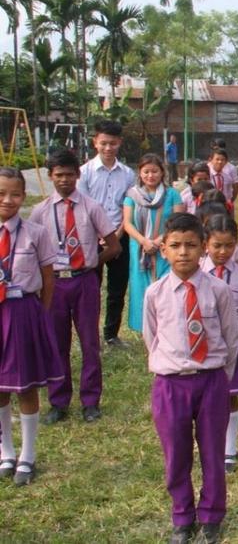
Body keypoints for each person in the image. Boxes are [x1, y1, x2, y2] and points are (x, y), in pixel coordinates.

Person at [143, 212, 238, 543]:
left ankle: (212, 515)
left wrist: (220, 378)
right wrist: (169, 365)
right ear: (164, 250)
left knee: (213, 451)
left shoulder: (219, 290)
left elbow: (231, 337)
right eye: (175, 246)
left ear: (203, 249)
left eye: (191, 245)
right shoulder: (155, 293)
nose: (183, 252)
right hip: (170, 383)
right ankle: (182, 516)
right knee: (176, 453)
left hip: (211, 380)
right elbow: (151, 336)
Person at [31, 150, 118, 425]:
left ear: (78, 175)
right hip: (55, 283)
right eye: (59, 175)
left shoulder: (91, 207)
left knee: (89, 341)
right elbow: (31, 249)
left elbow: (113, 245)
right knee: (57, 343)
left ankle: (90, 401)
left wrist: (91, 263)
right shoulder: (40, 211)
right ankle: (58, 402)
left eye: (70, 174)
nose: (65, 180)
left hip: (84, 281)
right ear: (50, 177)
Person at [0, 168, 60, 486]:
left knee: (25, 384)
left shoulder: (36, 233)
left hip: (22, 310)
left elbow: (48, 279)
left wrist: (40, 314)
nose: (8, 200)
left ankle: (28, 454)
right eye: (1, 194)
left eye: (15, 194)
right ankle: (6, 451)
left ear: (24, 197)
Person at [201, 215, 238, 474]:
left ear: (236, 244)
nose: (223, 252)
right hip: (203, 338)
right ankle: (207, 445)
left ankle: (229, 449)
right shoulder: (197, 273)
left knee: (231, 394)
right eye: (217, 246)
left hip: (233, 338)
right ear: (206, 244)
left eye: (228, 246)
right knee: (204, 395)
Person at [78, 119, 135, 348]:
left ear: (119, 142)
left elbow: (128, 206)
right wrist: (99, 235)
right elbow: (82, 207)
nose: (108, 148)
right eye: (104, 143)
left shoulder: (128, 174)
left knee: (117, 289)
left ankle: (111, 334)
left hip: (120, 236)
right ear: (95, 143)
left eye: (112, 143)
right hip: (92, 238)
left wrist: (118, 234)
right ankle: (90, 337)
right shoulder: (84, 173)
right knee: (92, 289)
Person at [123, 154, 185, 333]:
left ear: (162, 172)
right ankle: (148, 333)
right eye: (146, 172)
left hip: (166, 249)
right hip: (139, 250)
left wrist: (158, 241)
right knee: (142, 290)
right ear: (140, 173)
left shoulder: (172, 195)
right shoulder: (132, 195)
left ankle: (169, 330)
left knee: (166, 288)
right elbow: (127, 223)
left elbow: (177, 220)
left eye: (155, 171)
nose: (151, 176)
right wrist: (144, 241)